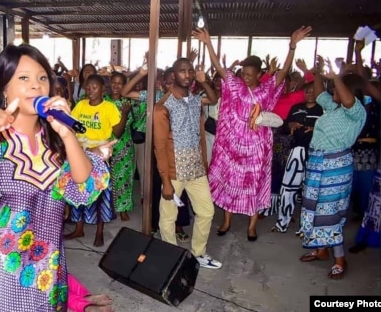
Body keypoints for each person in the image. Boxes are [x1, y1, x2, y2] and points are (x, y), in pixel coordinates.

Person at [0, 44, 111, 312]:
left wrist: (66, 134)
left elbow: (84, 184)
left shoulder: (55, 139)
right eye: (24, 78)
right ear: (5, 88)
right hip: (5, 270)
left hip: (51, 266)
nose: (36, 86)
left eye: (42, 78)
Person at [193, 26, 312, 241]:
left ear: (259, 74)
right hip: (233, 145)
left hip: (257, 147)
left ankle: (252, 226)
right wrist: (207, 42)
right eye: (243, 74)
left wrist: (292, 46)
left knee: (254, 183)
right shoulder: (236, 86)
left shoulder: (266, 89)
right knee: (231, 181)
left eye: (249, 75)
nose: (245, 78)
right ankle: (227, 221)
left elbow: (284, 72)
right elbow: (219, 68)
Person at [298, 65, 367, 280]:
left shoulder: (356, 112)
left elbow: (348, 101)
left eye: (338, 88)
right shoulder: (335, 108)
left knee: (330, 211)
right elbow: (319, 95)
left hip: (335, 167)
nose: (333, 91)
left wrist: (337, 76)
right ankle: (321, 249)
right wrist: (317, 73)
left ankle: (340, 259)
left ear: (350, 90)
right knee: (315, 208)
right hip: (318, 163)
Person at [152, 58, 221, 269]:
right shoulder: (162, 107)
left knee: (207, 211)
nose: (188, 75)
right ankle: (170, 257)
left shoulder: (194, 100)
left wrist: (205, 80)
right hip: (174, 171)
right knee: (168, 217)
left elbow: (214, 97)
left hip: (196, 169)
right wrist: (165, 181)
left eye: (191, 71)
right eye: (183, 71)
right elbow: (160, 147)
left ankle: (199, 253)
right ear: (173, 75)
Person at [66, 74, 121, 247]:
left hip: (100, 155)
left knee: (100, 194)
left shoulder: (109, 108)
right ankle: (79, 227)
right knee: (78, 189)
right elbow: (73, 125)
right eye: (88, 88)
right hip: (80, 152)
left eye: (94, 87)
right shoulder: (81, 105)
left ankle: (99, 231)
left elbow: (117, 132)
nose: (90, 91)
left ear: (103, 89)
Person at [272, 80, 323, 233]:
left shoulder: (322, 110)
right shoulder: (295, 108)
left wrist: (315, 129)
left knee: (310, 191)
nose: (310, 94)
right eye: (307, 91)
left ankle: (306, 228)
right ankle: (282, 223)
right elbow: (283, 126)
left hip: (314, 153)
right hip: (294, 152)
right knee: (288, 188)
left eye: (313, 91)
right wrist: (290, 125)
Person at [105, 72, 135, 221]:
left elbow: (126, 125)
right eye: (114, 82)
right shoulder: (104, 100)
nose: (116, 86)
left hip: (124, 145)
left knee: (124, 178)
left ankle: (123, 208)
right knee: (108, 178)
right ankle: (109, 207)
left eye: (120, 83)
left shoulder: (127, 103)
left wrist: (125, 114)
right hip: (105, 144)